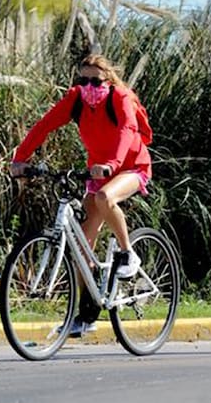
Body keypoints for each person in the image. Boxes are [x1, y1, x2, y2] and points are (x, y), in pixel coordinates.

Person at [11, 53, 152, 337]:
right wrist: (21, 158)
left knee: (104, 198)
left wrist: (112, 164)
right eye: (83, 79)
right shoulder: (76, 100)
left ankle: (128, 255)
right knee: (81, 247)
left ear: (108, 80)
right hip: (97, 172)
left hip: (131, 166)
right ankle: (86, 316)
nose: (89, 85)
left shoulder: (120, 97)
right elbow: (44, 125)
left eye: (95, 80)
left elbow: (127, 129)